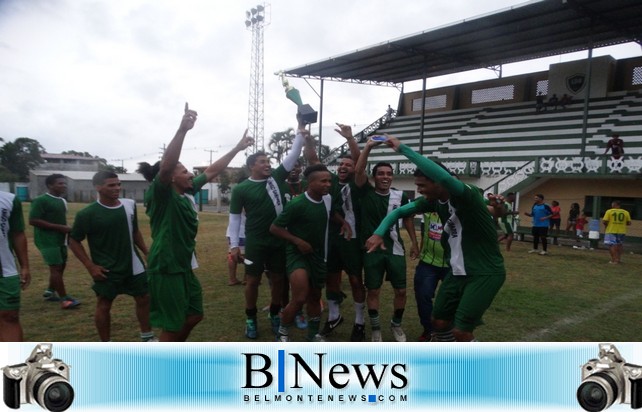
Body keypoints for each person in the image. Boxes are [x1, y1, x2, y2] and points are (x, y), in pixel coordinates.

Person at [365, 135, 506, 342]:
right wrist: (378, 233)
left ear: (438, 183)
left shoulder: (466, 195)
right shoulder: (434, 201)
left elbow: (448, 180)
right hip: (457, 272)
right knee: (438, 322)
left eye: (422, 185)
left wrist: (403, 149)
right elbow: (397, 213)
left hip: (484, 272)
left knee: (461, 331)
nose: (419, 190)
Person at [137, 103, 253, 342]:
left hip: (184, 266)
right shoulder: (162, 196)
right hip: (166, 266)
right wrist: (182, 130)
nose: (191, 174)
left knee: (194, 315)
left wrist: (237, 148)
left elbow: (212, 171)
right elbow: (167, 166)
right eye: (185, 171)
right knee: (174, 322)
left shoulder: (186, 192)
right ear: (170, 179)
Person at [228, 116, 306, 340]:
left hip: (278, 240)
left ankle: (274, 313)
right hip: (255, 242)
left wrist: (300, 130)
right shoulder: (241, 189)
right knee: (252, 280)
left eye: (268, 161)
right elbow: (234, 219)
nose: (267, 164)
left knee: (279, 279)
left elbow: (293, 155)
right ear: (251, 166)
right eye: (262, 162)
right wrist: (234, 246)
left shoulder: (276, 178)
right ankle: (250, 318)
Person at [68, 171, 156, 342]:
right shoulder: (87, 214)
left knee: (144, 298)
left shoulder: (129, 205)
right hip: (107, 268)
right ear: (98, 187)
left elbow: (135, 231)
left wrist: (146, 252)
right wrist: (90, 266)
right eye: (111, 185)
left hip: (134, 265)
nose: (117, 188)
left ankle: (147, 337)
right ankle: (105, 344)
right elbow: (74, 240)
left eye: (118, 184)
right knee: (104, 304)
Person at [269, 164, 350, 342]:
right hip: (297, 254)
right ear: (310, 183)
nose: (328, 184)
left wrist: (343, 222)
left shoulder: (327, 199)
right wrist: (297, 241)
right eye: (323, 181)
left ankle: (313, 335)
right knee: (299, 297)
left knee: (315, 297)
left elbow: (331, 213)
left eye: (329, 180)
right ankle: (282, 333)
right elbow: (275, 227)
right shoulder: (297, 204)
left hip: (318, 255)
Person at [355, 137, 418, 342]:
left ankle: (396, 325)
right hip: (371, 250)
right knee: (373, 290)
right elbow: (358, 171)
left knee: (400, 290)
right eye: (381, 174)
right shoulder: (365, 192)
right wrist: (368, 148)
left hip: (395, 249)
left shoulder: (401, 196)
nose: (385, 177)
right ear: (373, 177)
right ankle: (375, 329)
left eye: (389, 174)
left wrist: (415, 243)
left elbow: (408, 219)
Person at [307, 123, 365, 341]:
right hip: (330, 239)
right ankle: (334, 316)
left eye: (348, 164)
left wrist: (350, 139)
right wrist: (308, 139)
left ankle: (359, 322)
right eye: (341, 163)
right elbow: (314, 162)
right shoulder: (328, 183)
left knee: (355, 280)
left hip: (352, 239)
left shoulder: (358, 184)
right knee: (331, 279)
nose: (343, 167)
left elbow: (360, 163)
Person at [29, 174, 80, 309]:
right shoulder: (40, 200)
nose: (64, 186)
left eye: (64, 183)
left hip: (60, 239)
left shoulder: (62, 201)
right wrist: (60, 227)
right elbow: (33, 220)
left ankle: (49, 292)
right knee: (56, 267)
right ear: (50, 185)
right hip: (47, 240)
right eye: (60, 183)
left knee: (61, 265)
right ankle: (64, 300)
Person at [0, 190, 31, 341]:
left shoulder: (9, 199)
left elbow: (17, 233)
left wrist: (24, 265)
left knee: (10, 316)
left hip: (5, 270)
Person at [602, 200, 632, 264]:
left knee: (612, 245)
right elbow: (629, 223)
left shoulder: (609, 211)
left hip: (611, 230)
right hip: (622, 231)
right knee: (619, 245)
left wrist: (607, 225)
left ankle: (614, 260)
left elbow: (604, 221)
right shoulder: (626, 212)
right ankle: (618, 259)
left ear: (614, 205)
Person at [225, 210, 246, 286]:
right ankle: (246, 278)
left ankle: (232, 278)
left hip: (231, 232)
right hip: (243, 232)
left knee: (231, 255)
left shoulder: (235, 202)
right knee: (247, 256)